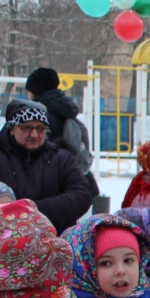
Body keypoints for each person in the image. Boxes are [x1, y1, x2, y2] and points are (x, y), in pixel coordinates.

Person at [0, 100, 91, 232]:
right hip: (6, 244)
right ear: (12, 129)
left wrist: (27, 210)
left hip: (55, 243)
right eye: (27, 128)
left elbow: (82, 196)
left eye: (40, 129)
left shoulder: (62, 158)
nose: (34, 135)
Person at [25, 67, 98, 200]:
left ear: (35, 90)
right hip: (71, 179)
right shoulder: (63, 108)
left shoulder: (42, 115)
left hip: (51, 184)